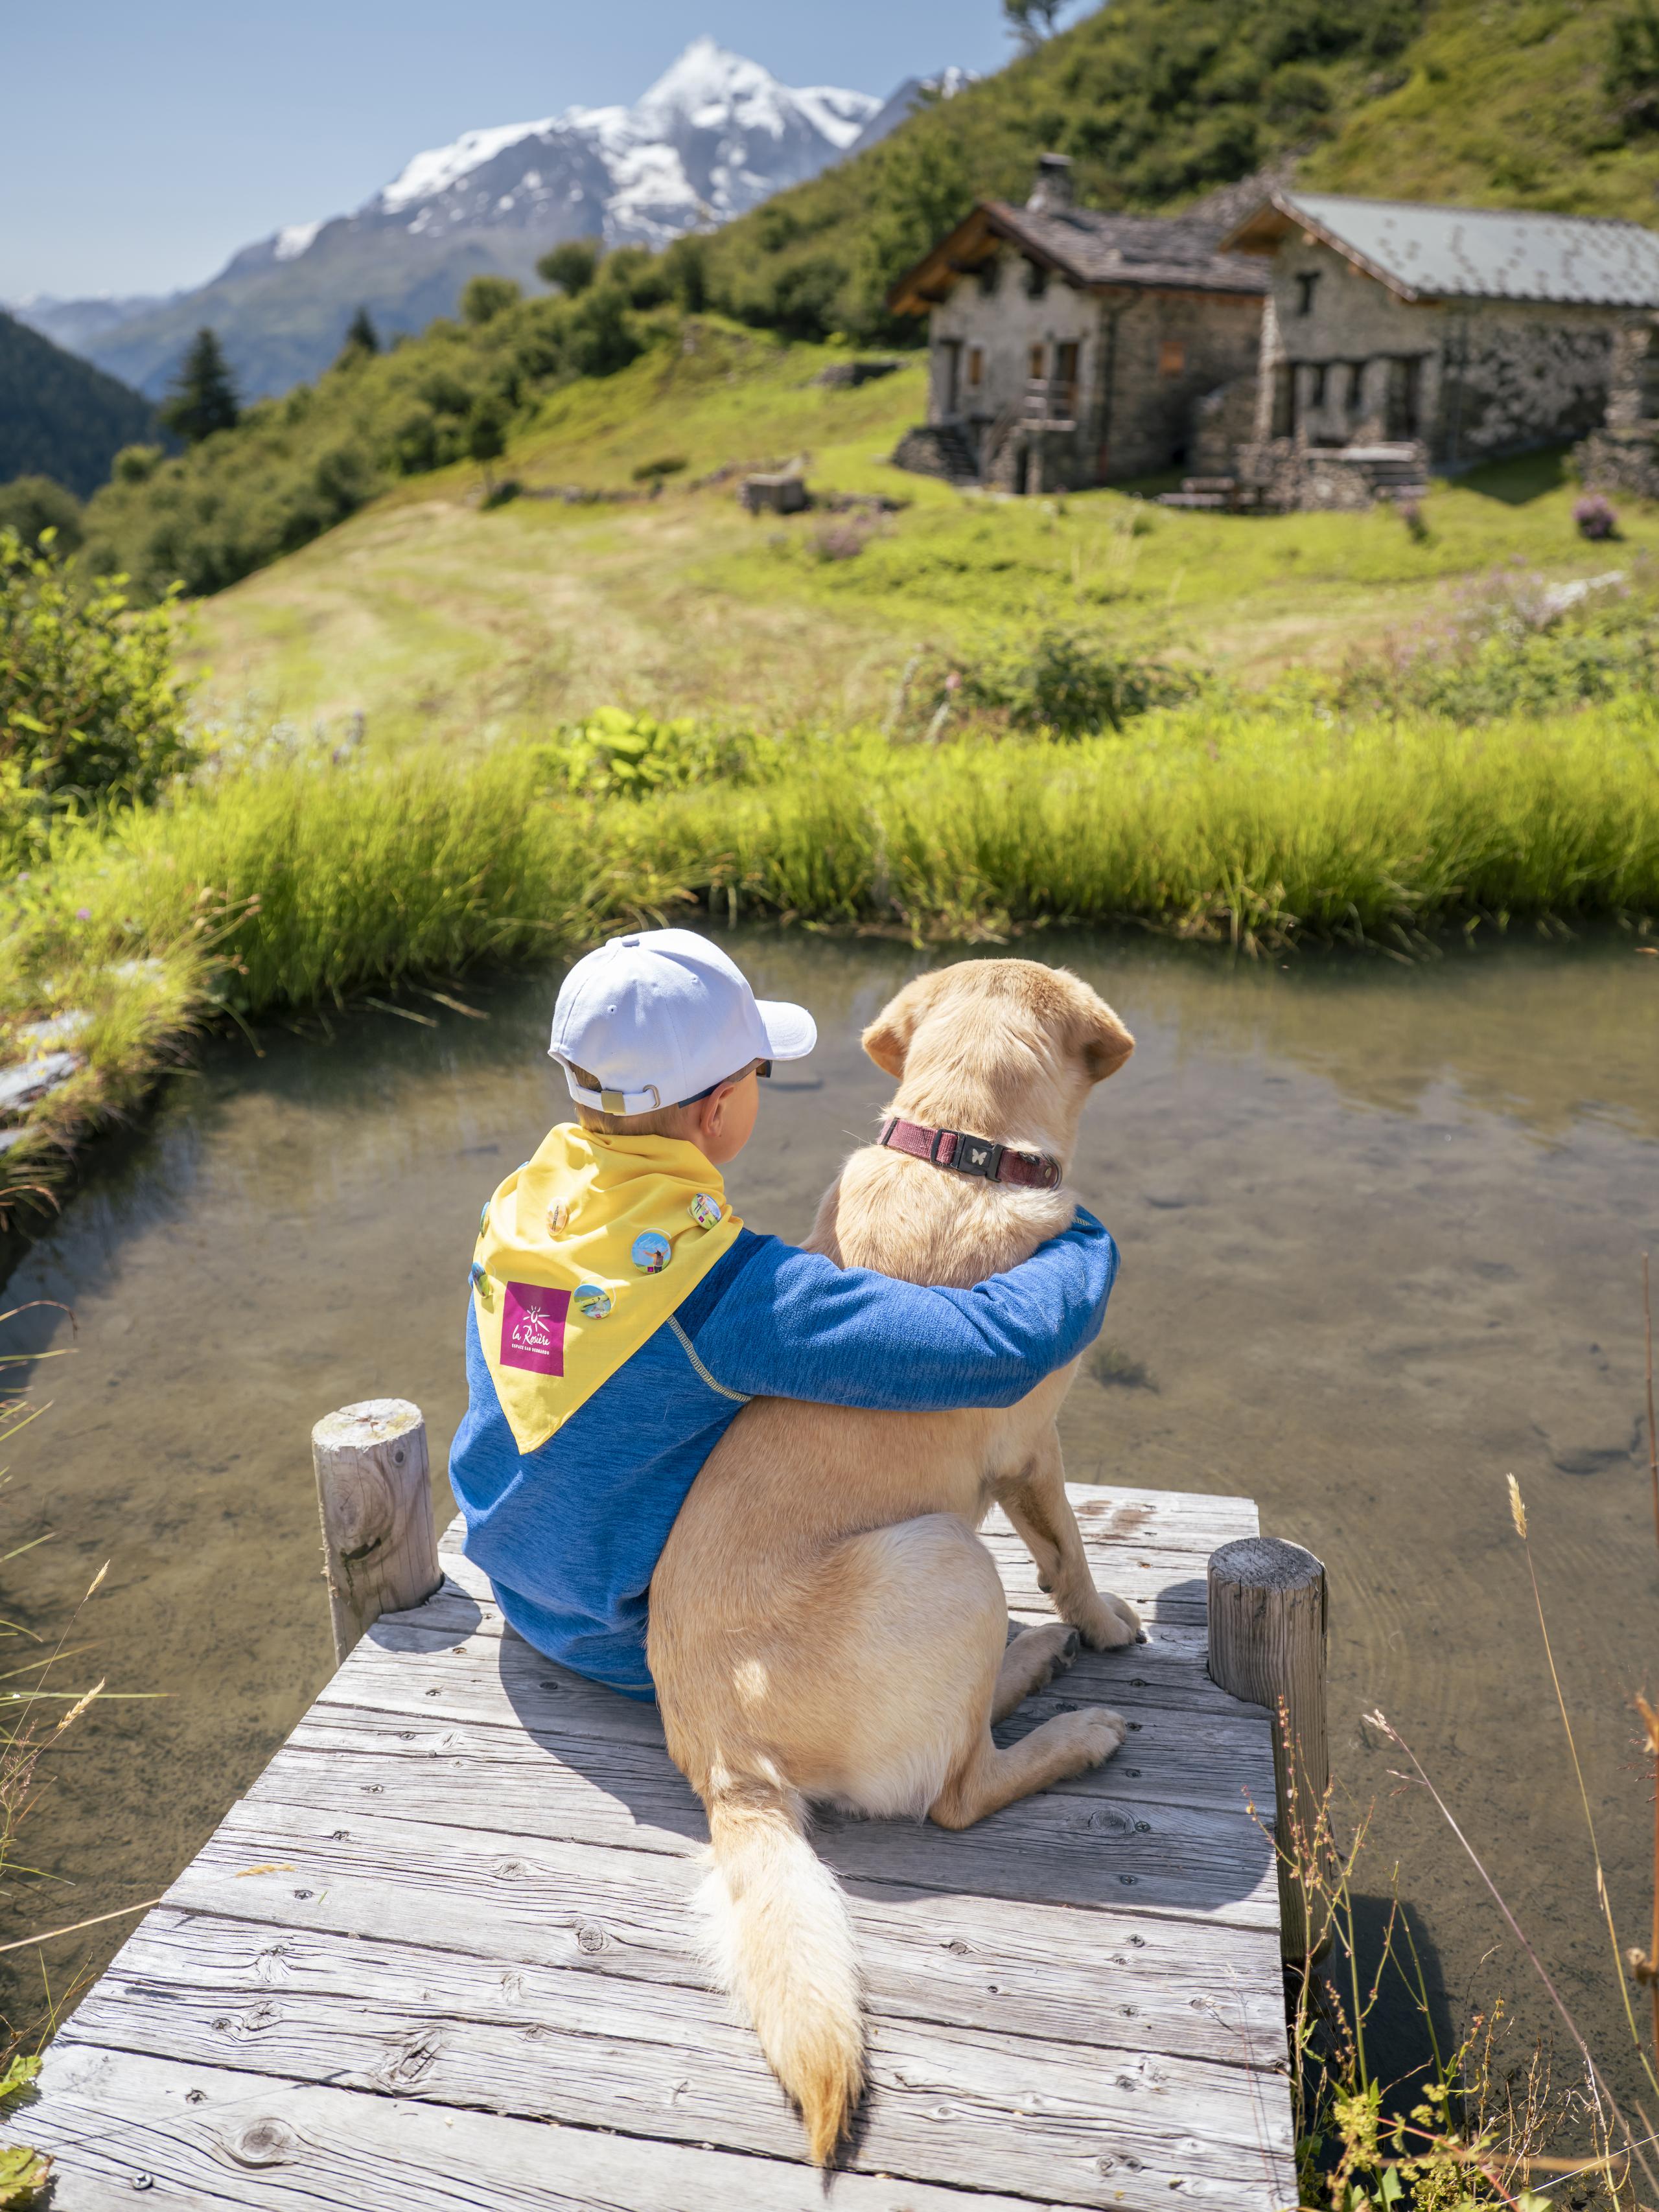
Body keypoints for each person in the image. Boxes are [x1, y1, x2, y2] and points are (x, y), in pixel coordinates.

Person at [448, 927, 1121, 1699]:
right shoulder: (730, 1296)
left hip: (520, 1592)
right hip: (645, 1640)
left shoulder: (522, 1209)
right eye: (759, 1071)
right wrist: (1079, 1236)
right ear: (718, 1109)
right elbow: (998, 1351)